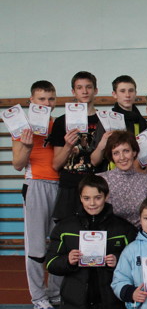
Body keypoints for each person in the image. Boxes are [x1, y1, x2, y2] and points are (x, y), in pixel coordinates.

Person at [46, 175, 137, 309]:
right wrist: (68, 260)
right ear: (80, 198)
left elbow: (137, 264)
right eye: (87, 198)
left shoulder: (123, 229)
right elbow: (50, 264)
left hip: (110, 306)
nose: (92, 203)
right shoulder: (65, 228)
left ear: (106, 196)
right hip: (77, 306)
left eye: (97, 197)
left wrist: (118, 261)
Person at [12, 80, 61, 309]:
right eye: (41, 99)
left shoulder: (58, 124)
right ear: (31, 101)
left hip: (60, 186)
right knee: (36, 246)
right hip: (36, 185)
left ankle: (55, 293)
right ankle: (39, 297)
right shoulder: (23, 128)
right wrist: (28, 146)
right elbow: (17, 164)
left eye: (50, 99)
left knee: (60, 243)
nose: (46, 104)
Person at [48, 71, 101, 221]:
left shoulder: (104, 119)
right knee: (67, 231)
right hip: (70, 186)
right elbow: (56, 164)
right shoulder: (61, 122)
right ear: (73, 91)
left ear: (95, 90)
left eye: (88, 87)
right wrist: (68, 146)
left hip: (97, 187)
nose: (84, 91)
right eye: (79, 87)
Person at [91, 75, 147, 170]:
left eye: (131, 90)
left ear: (135, 93)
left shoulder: (141, 121)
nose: (127, 95)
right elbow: (94, 161)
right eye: (122, 91)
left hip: (136, 174)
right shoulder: (106, 121)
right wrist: (101, 145)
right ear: (114, 94)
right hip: (112, 175)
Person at [97, 131, 147, 227]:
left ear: (134, 152)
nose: (122, 157)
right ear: (112, 156)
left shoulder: (146, 180)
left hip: (140, 234)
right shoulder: (101, 179)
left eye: (126, 151)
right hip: (111, 233)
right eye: (116, 153)